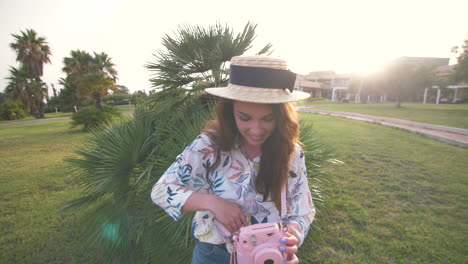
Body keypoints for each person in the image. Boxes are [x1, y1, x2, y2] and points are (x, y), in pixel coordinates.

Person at [151, 56, 316, 264]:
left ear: (281, 116)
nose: (256, 131)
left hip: (269, 254)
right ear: (229, 111)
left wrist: (292, 237)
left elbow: (303, 211)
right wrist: (212, 203)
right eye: (244, 118)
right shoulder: (209, 146)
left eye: (267, 119)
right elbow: (161, 191)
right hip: (214, 255)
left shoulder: (291, 152)